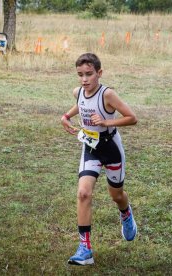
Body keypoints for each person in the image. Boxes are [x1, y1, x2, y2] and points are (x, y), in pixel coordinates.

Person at [61, 53, 138, 266]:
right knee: (83, 193)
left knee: (117, 195)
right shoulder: (78, 92)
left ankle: (126, 214)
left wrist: (106, 122)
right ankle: (85, 249)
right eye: (80, 75)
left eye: (89, 74)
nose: (84, 79)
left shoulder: (108, 95)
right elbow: (81, 105)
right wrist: (66, 116)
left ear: (99, 73)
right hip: (90, 147)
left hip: (111, 148)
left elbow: (132, 118)